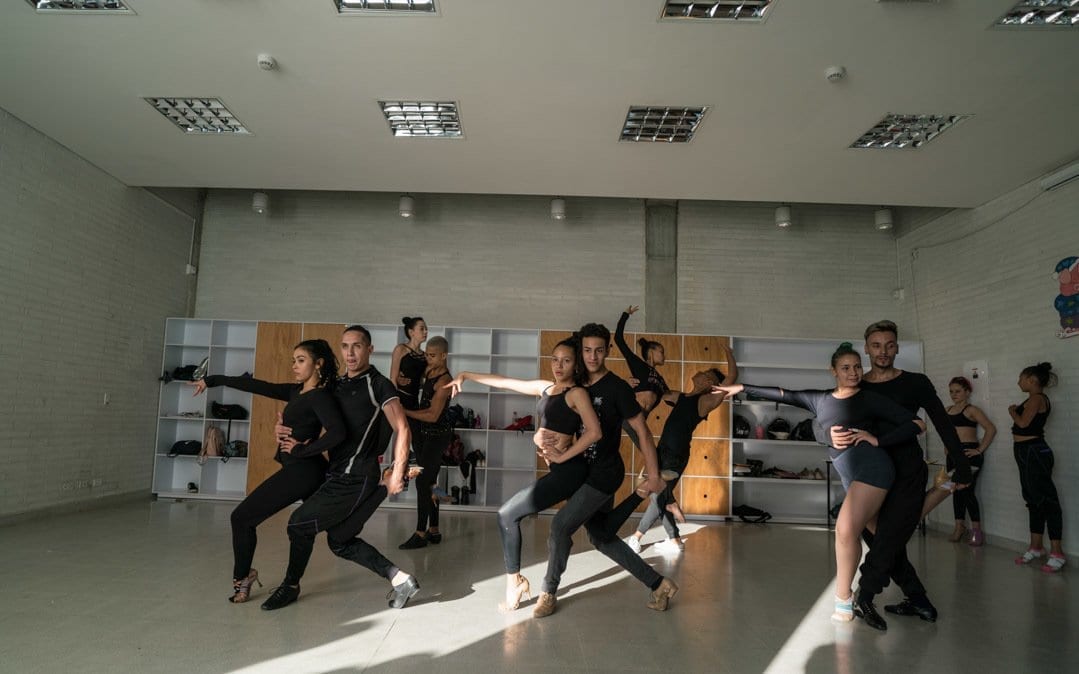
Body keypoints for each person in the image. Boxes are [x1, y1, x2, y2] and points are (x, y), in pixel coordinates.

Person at [713, 342, 926, 626]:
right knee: (886, 539)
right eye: (846, 368)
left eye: (857, 367)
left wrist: (878, 440)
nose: (853, 373)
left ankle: (844, 601)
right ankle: (917, 597)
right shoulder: (819, 399)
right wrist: (740, 388)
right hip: (850, 474)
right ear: (834, 371)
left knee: (845, 529)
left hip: (873, 468)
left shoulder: (869, 398)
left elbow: (917, 423)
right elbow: (783, 394)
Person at [260, 325, 421, 611]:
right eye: (345, 346)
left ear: (369, 349)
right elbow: (317, 415)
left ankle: (290, 586)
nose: (350, 353)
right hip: (336, 472)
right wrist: (282, 430)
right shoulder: (337, 385)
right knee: (340, 540)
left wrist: (398, 470)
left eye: (357, 346)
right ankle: (400, 579)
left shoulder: (379, 384)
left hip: (355, 476)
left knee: (298, 524)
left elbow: (402, 428)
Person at [831, 320, 972, 630]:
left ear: (897, 347)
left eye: (890, 345)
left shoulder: (916, 382)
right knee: (885, 539)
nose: (883, 351)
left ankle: (865, 595)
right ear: (866, 348)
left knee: (889, 537)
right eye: (877, 345)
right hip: (871, 475)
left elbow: (942, 423)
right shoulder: (857, 385)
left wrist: (960, 463)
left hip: (908, 468)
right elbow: (834, 414)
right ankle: (918, 600)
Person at [444, 336, 602, 611]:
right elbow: (505, 381)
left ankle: (516, 584)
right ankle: (656, 582)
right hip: (560, 470)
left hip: (570, 472)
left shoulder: (577, 393)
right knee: (601, 535)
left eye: (566, 360)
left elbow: (594, 432)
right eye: (555, 359)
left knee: (507, 514)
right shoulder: (546, 388)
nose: (559, 365)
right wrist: (465, 375)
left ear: (576, 364)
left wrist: (564, 454)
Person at [532, 323, 675, 619]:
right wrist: (546, 443)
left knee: (561, 526)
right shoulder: (577, 381)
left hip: (605, 472)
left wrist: (653, 474)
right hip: (581, 470)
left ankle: (548, 591)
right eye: (586, 350)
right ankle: (659, 584)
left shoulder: (618, 388)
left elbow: (643, 432)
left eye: (599, 350)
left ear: (609, 350)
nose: (592, 356)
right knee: (600, 536)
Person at [189, 339, 346, 605]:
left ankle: (244, 577)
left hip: (304, 471)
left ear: (318, 364)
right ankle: (391, 574)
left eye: (300, 360)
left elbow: (338, 431)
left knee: (242, 518)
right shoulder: (298, 392)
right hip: (301, 469)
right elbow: (258, 386)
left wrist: (303, 450)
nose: (294, 365)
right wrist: (213, 380)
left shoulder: (319, 396)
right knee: (335, 534)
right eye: (293, 360)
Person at [620, 363, 734, 554]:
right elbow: (658, 391)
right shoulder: (679, 397)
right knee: (661, 495)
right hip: (661, 451)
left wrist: (729, 354)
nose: (698, 372)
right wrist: (640, 379)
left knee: (657, 496)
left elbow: (730, 380)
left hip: (675, 457)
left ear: (708, 382)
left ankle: (637, 537)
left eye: (704, 373)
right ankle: (674, 538)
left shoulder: (704, 402)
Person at [924, 377, 996, 546]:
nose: (953, 394)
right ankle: (959, 527)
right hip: (953, 455)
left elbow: (991, 429)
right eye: (951, 391)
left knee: (968, 491)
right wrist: (947, 448)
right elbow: (946, 433)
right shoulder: (947, 410)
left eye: (957, 391)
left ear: (967, 392)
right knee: (954, 490)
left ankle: (976, 530)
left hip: (970, 454)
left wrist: (979, 449)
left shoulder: (971, 410)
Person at [1010, 362, 1066, 573]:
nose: (1018, 382)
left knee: (1047, 500)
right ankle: (1036, 547)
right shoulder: (1033, 398)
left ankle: (1057, 553)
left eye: (1021, 378)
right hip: (1026, 452)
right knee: (1033, 499)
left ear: (1032, 380)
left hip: (1034, 452)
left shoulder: (1036, 398)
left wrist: (1012, 412)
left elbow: (1023, 424)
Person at [400, 336, 453, 548]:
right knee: (431, 482)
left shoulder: (445, 381)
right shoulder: (429, 370)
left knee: (423, 482)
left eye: (432, 356)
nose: (428, 359)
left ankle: (420, 533)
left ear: (444, 355)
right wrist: (403, 380)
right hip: (423, 434)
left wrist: (405, 412)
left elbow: (432, 415)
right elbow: (413, 377)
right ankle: (435, 529)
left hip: (437, 435)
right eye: (426, 355)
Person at [390, 316, 429, 457]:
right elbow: (392, 379)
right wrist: (395, 403)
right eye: (422, 328)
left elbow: (424, 381)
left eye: (426, 329)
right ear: (411, 332)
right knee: (392, 436)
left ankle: (421, 475)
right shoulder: (401, 349)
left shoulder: (425, 357)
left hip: (413, 403)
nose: (426, 331)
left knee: (418, 442)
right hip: (398, 399)